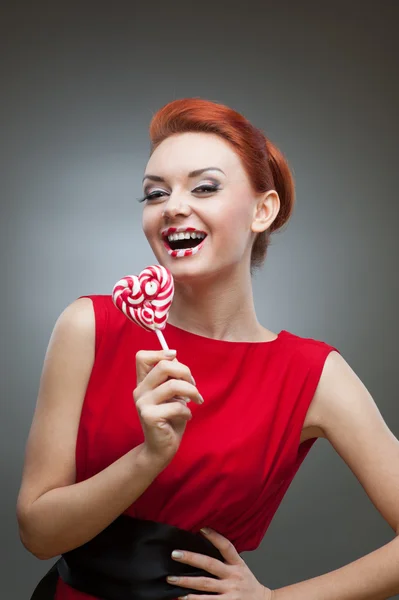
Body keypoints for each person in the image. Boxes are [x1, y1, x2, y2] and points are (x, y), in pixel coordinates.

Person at [17, 98, 399, 600]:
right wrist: (149, 456)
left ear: (263, 210)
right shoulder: (89, 327)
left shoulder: (313, 373)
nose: (173, 206)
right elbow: (38, 536)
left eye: (204, 187)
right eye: (155, 194)